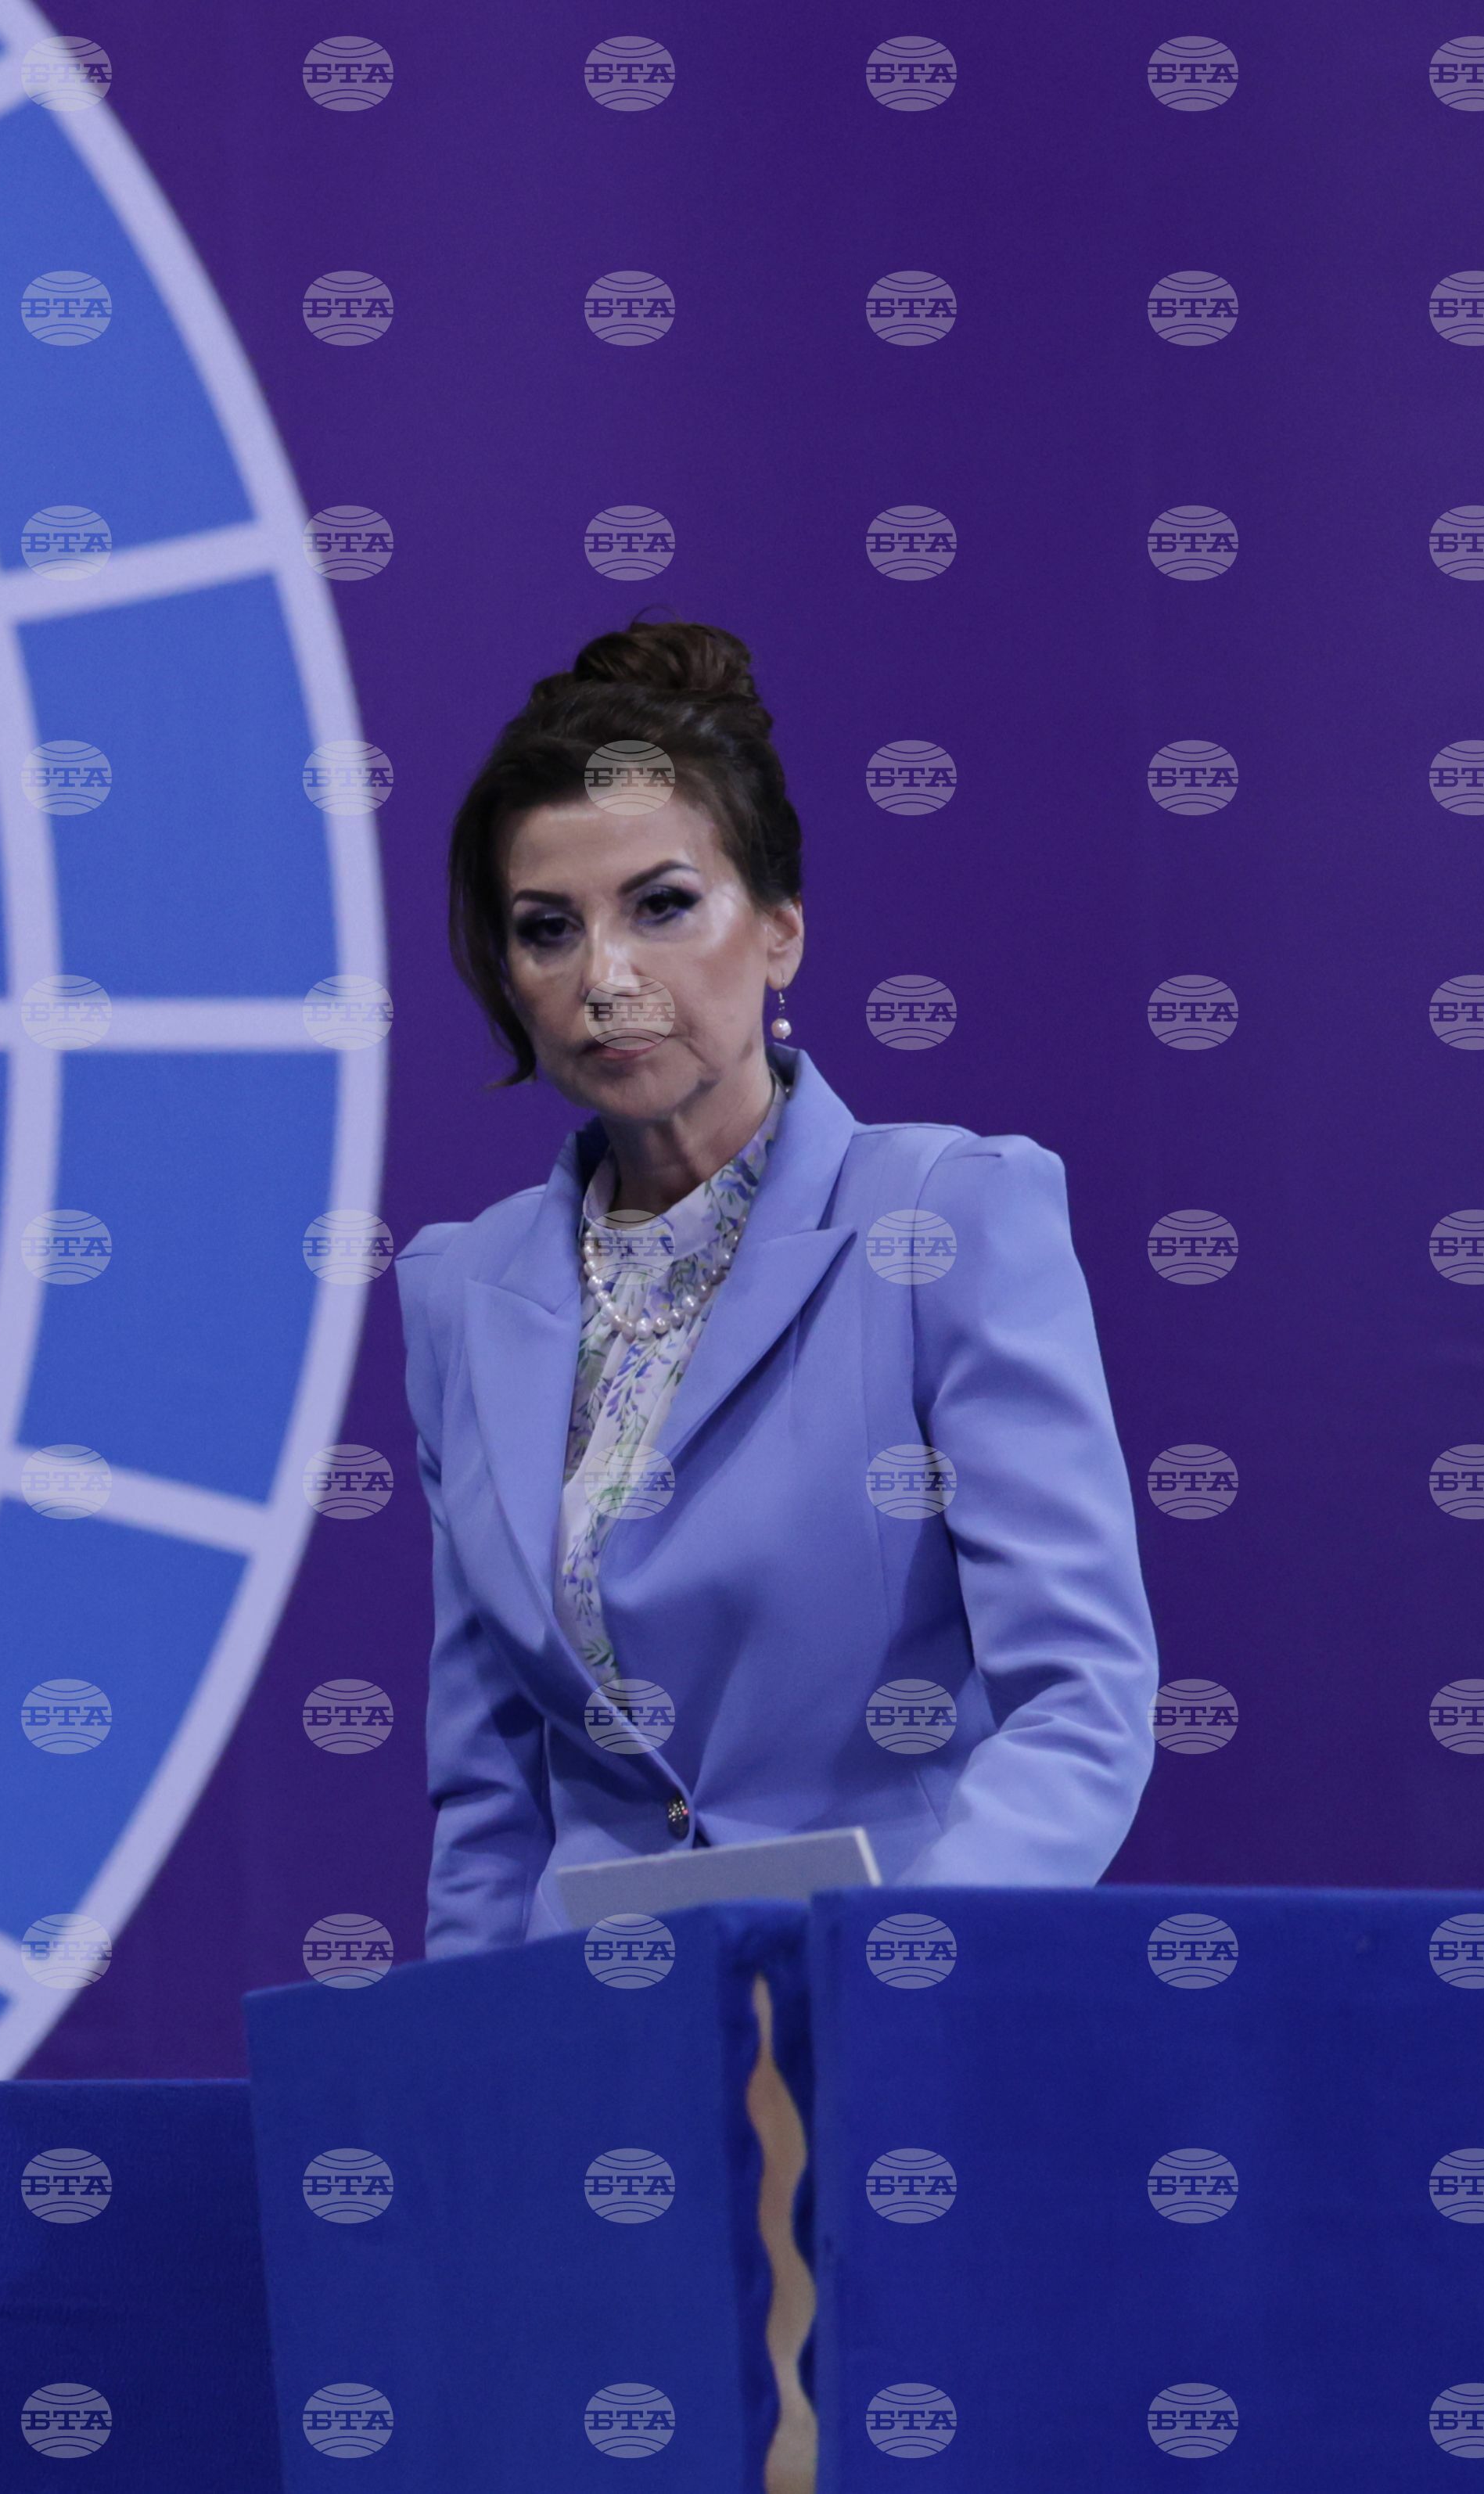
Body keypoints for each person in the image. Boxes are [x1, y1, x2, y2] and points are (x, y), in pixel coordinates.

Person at [398, 618, 1159, 1954]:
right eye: (546, 930)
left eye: (660, 906)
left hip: (892, 2006)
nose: (607, 979)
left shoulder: (944, 1214)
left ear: (779, 931)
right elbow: (491, 1793)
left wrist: (893, 1974)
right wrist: (474, 2047)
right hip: (596, 2026)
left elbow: (1079, 1702)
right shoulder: (458, 1290)